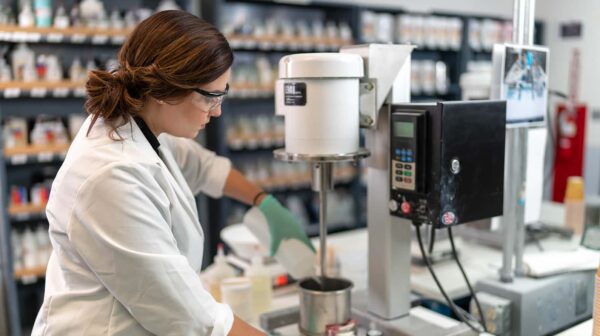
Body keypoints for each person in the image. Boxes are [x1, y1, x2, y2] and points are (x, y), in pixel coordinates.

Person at [32, 10, 313, 336]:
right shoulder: (112, 176)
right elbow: (194, 319)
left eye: (224, 93)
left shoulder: (140, 124)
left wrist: (263, 201)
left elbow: (204, 167)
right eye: (211, 97)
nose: (218, 110)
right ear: (165, 91)